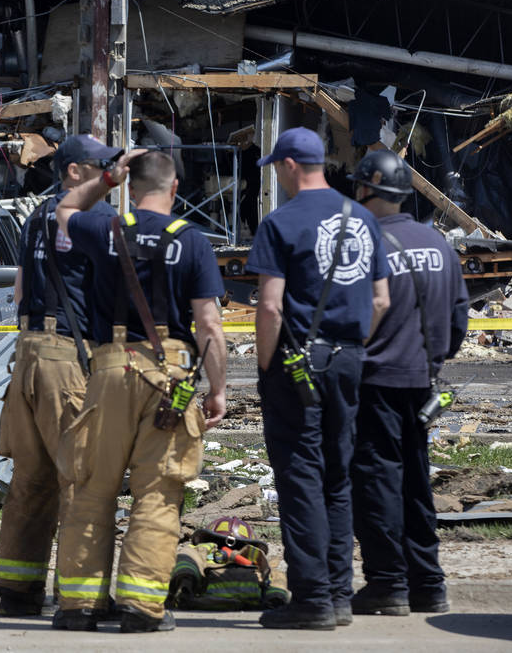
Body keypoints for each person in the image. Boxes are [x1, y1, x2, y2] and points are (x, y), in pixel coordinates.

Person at [52, 149, 227, 633]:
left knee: (92, 487)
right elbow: (209, 323)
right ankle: (140, 606)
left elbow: (66, 209)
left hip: (110, 368)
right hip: (170, 375)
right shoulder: (191, 241)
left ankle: (79, 607)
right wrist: (218, 390)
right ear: (174, 190)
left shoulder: (106, 230)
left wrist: (105, 178)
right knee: (157, 492)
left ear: (130, 188)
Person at [247, 127, 391, 631]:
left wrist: (266, 370)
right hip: (349, 358)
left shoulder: (280, 222)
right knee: (337, 473)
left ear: (288, 165)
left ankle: (311, 598)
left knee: (300, 473)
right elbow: (381, 301)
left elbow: (269, 307)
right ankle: (337, 593)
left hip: (297, 362)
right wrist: (351, 350)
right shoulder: (362, 218)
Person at [0, 134, 120, 617]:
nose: (111, 175)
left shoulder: (38, 215)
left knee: (32, 478)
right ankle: (83, 597)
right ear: (74, 172)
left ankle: (18, 592)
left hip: (26, 356)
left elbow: (22, 289)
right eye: (102, 167)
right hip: (67, 357)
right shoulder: (98, 219)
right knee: (81, 477)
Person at [347, 149, 468, 616]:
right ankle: (428, 584)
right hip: (422, 382)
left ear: (364, 189)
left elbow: (354, 314)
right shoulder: (438, 243)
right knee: (417, 481)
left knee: (377, 483)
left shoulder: (363, 243)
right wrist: (434, 359)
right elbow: (459, 315)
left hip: (375, 380)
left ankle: (387, 585)